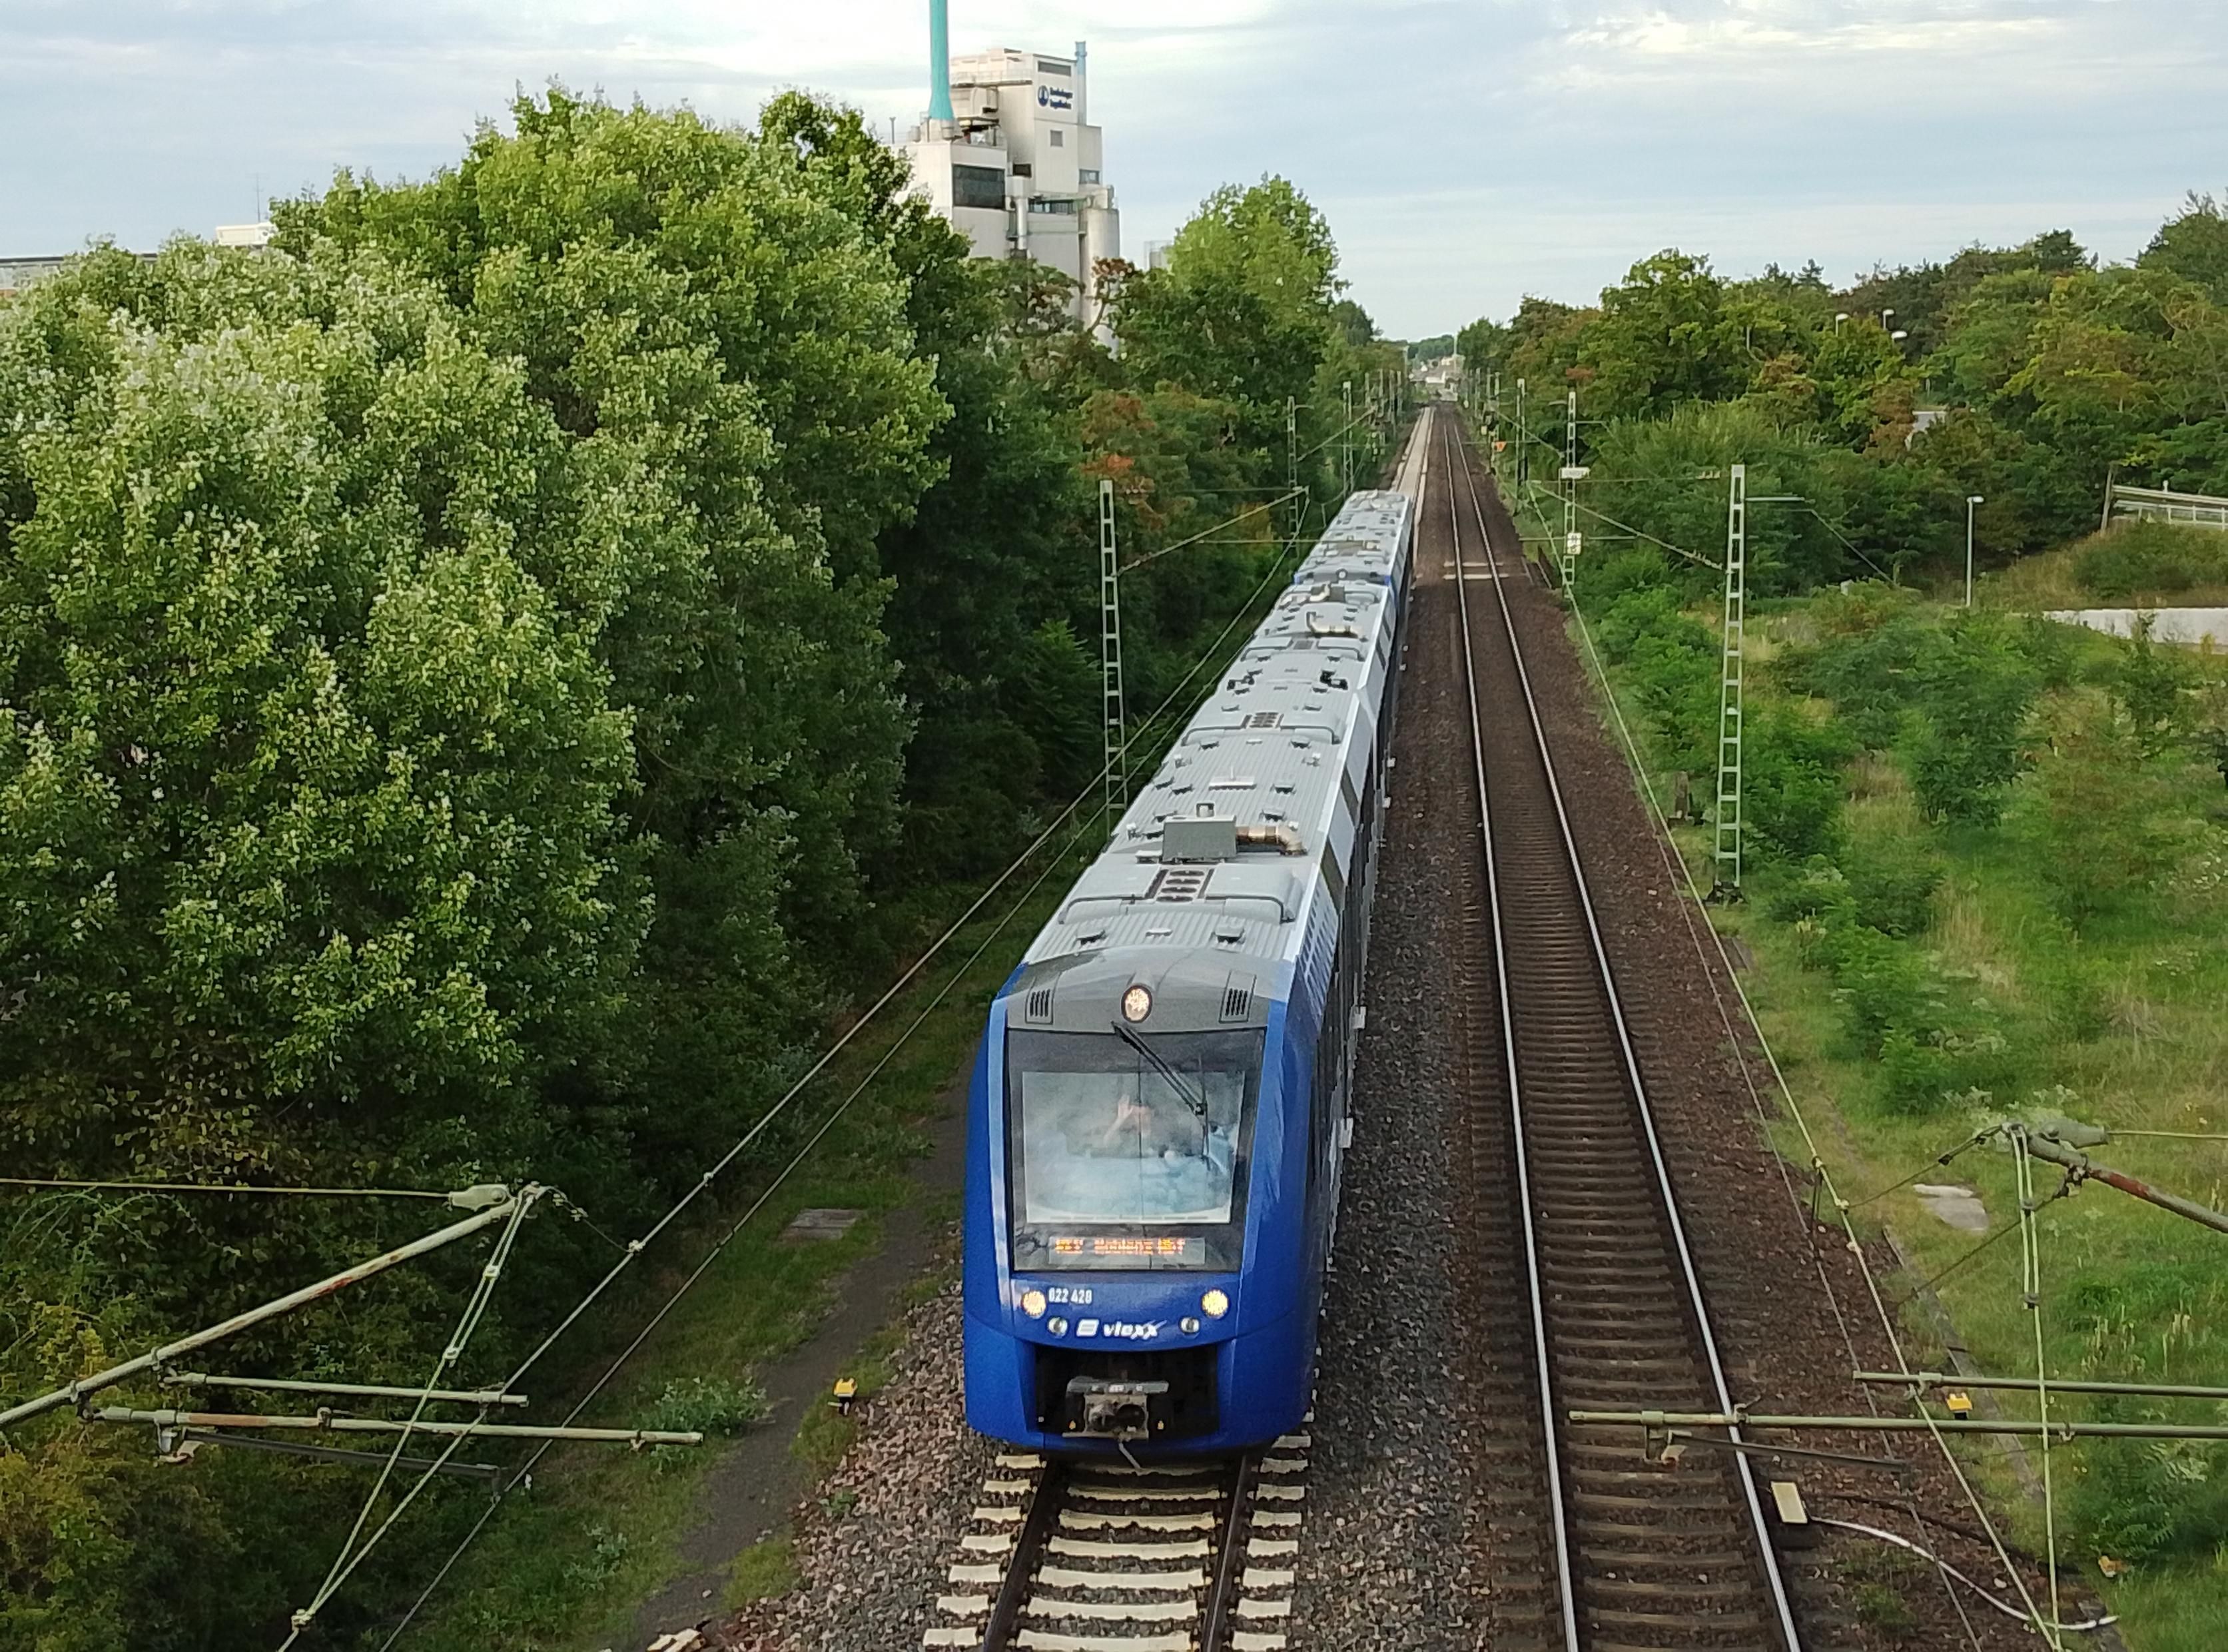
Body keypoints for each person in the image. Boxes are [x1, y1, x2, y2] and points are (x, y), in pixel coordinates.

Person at [1092, 1084, 1204, 1160]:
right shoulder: (1129, 1137)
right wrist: (1120, 1120)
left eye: (1144, 1115)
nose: (1139, 1119)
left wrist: (1173, 1156)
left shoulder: (1166, 1134)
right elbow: (1107, 1145)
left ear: (1152, 1113)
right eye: (1135, 1115)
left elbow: (1183, 1153)